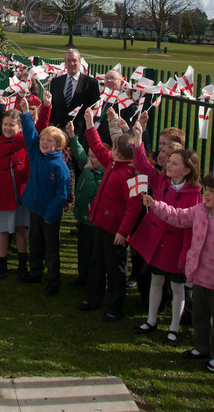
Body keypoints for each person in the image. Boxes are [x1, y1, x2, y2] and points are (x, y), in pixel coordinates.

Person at [144, 173, 214, 373]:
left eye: (212, 192)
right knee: (199, 316)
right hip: (199, 277)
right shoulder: (199, 212)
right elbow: (178, 216)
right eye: (206, 190)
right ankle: (201, 347)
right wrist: (156, 205)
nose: (206, 195)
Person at [130, 125, 201, 345]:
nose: (168, 165)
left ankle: (174, 327)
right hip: (158, 244)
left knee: (177, 288)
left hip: (177, 247)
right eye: (168, 162)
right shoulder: (161, 180)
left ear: (187, 170)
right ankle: (151, 320)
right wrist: (139, 140)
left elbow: (190, 221)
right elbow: (143, 166)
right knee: (156, 280)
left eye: (174, 163)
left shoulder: (195, 194)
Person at [78, 107, 142, 322]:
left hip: (115, 230)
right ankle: (93, 297)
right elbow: (96, 147)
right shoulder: (113, 164)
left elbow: (134, 208)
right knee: (96, 262)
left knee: (115, 270)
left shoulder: (133, 175)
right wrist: (89, 124)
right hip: (100, 223)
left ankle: (115, 306)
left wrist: (123, 232)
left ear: (117, 151)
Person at [19, 97, 70, 295]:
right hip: (35, 208)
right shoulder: (35, 153)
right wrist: (25, 113)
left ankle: (53, 280)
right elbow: (30, 133)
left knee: (51, 249)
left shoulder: (60, 167)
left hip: (50, 215)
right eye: (43, 140)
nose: (45, 143)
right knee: (35, 243)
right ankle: (35, 272)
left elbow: (61, 195)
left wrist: (51, 214)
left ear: (58, 146)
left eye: (50, 141)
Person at [0, 109, 30, 281]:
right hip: (2, 194)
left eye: (12, 125)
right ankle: (2, 264)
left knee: (21, 229)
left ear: (20, 127)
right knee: (2, 230)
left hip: (21, 194)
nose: (8, 128)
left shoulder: (25, 142)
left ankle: (22, 264)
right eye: (5, 124)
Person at [67, 122, 107, 287]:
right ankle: (82, 277)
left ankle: (92, 281)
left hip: (93, 222)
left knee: (92, 253)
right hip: (83, 219)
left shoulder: (100, 174)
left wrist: (89, 170)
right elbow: (80, 154)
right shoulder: (90, 164)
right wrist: (72, 136)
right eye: (90, 155)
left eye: (94, 157)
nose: (89, 159)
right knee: (82, 251)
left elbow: (93, 190)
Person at [49, 49, 100, 154]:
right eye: (68, 61)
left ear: (80, 62)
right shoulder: (56, 82)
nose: (71, 64)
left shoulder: (91, 83)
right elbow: (52, 107)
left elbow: (95, 110)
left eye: (74, 60)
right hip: (58, 133)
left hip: (79, 135)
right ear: (65, 63)